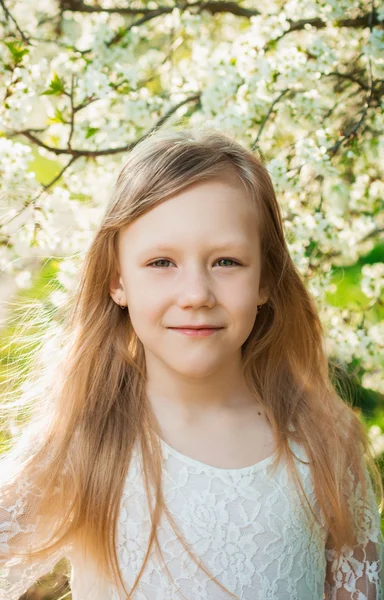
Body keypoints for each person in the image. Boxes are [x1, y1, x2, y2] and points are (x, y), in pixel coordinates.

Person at [0, 127, 383, 600]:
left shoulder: (326, 446)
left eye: (226, 262)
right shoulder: (85, 440)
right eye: (162, 262)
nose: (196, 295)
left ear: (265, 277)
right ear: (117, 281)